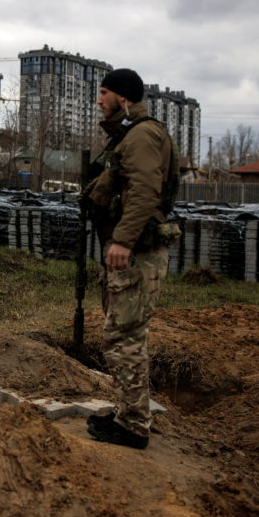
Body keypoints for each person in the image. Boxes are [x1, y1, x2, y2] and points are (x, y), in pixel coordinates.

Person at [81, 68, 180, 449]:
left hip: (136, 253)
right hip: (132, 251)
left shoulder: (141, 135)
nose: (99, 99)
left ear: (123, 97)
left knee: (124, 338)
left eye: (104, 92)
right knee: (122, 335)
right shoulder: (132, 133)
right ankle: (128, 415)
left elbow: (144, 192)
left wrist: (122, 240)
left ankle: (134, 427)